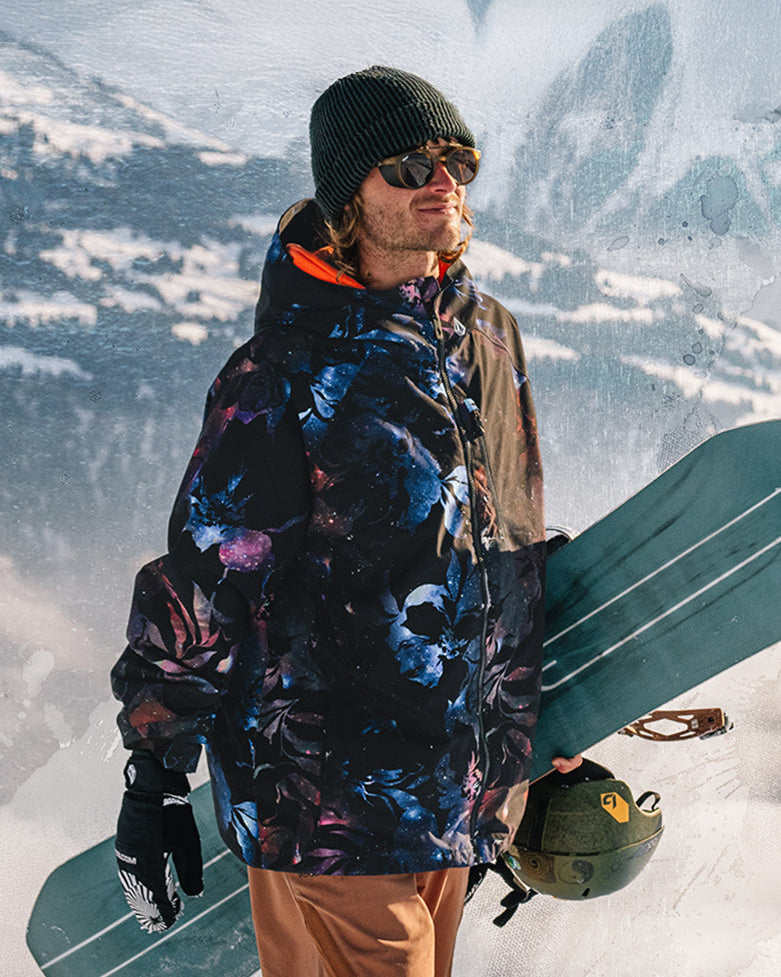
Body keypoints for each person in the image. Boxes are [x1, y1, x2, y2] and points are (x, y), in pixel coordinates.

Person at [111, 65, 580, 977]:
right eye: (408, 164)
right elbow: (211, 577)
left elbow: (506, 547)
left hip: (453, 794)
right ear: (346, 202)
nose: (441, 179)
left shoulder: (488, 339)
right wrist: (156, 771)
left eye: (456, 160)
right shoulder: (283, 370)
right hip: (326, 801)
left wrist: (529, 735)